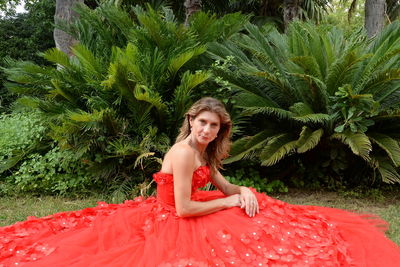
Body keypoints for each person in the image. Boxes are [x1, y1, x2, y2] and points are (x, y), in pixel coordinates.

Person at [1, 97, 400, 267]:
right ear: (191, 119)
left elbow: (223, 186)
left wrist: (241, 193)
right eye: (204, 123)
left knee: (268, 216)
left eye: (216, 126)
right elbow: (184, 208)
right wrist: (227, 204)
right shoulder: (181, 153)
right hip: (175, 218)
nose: (209, 129)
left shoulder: (204, 150)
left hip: (195, 207)